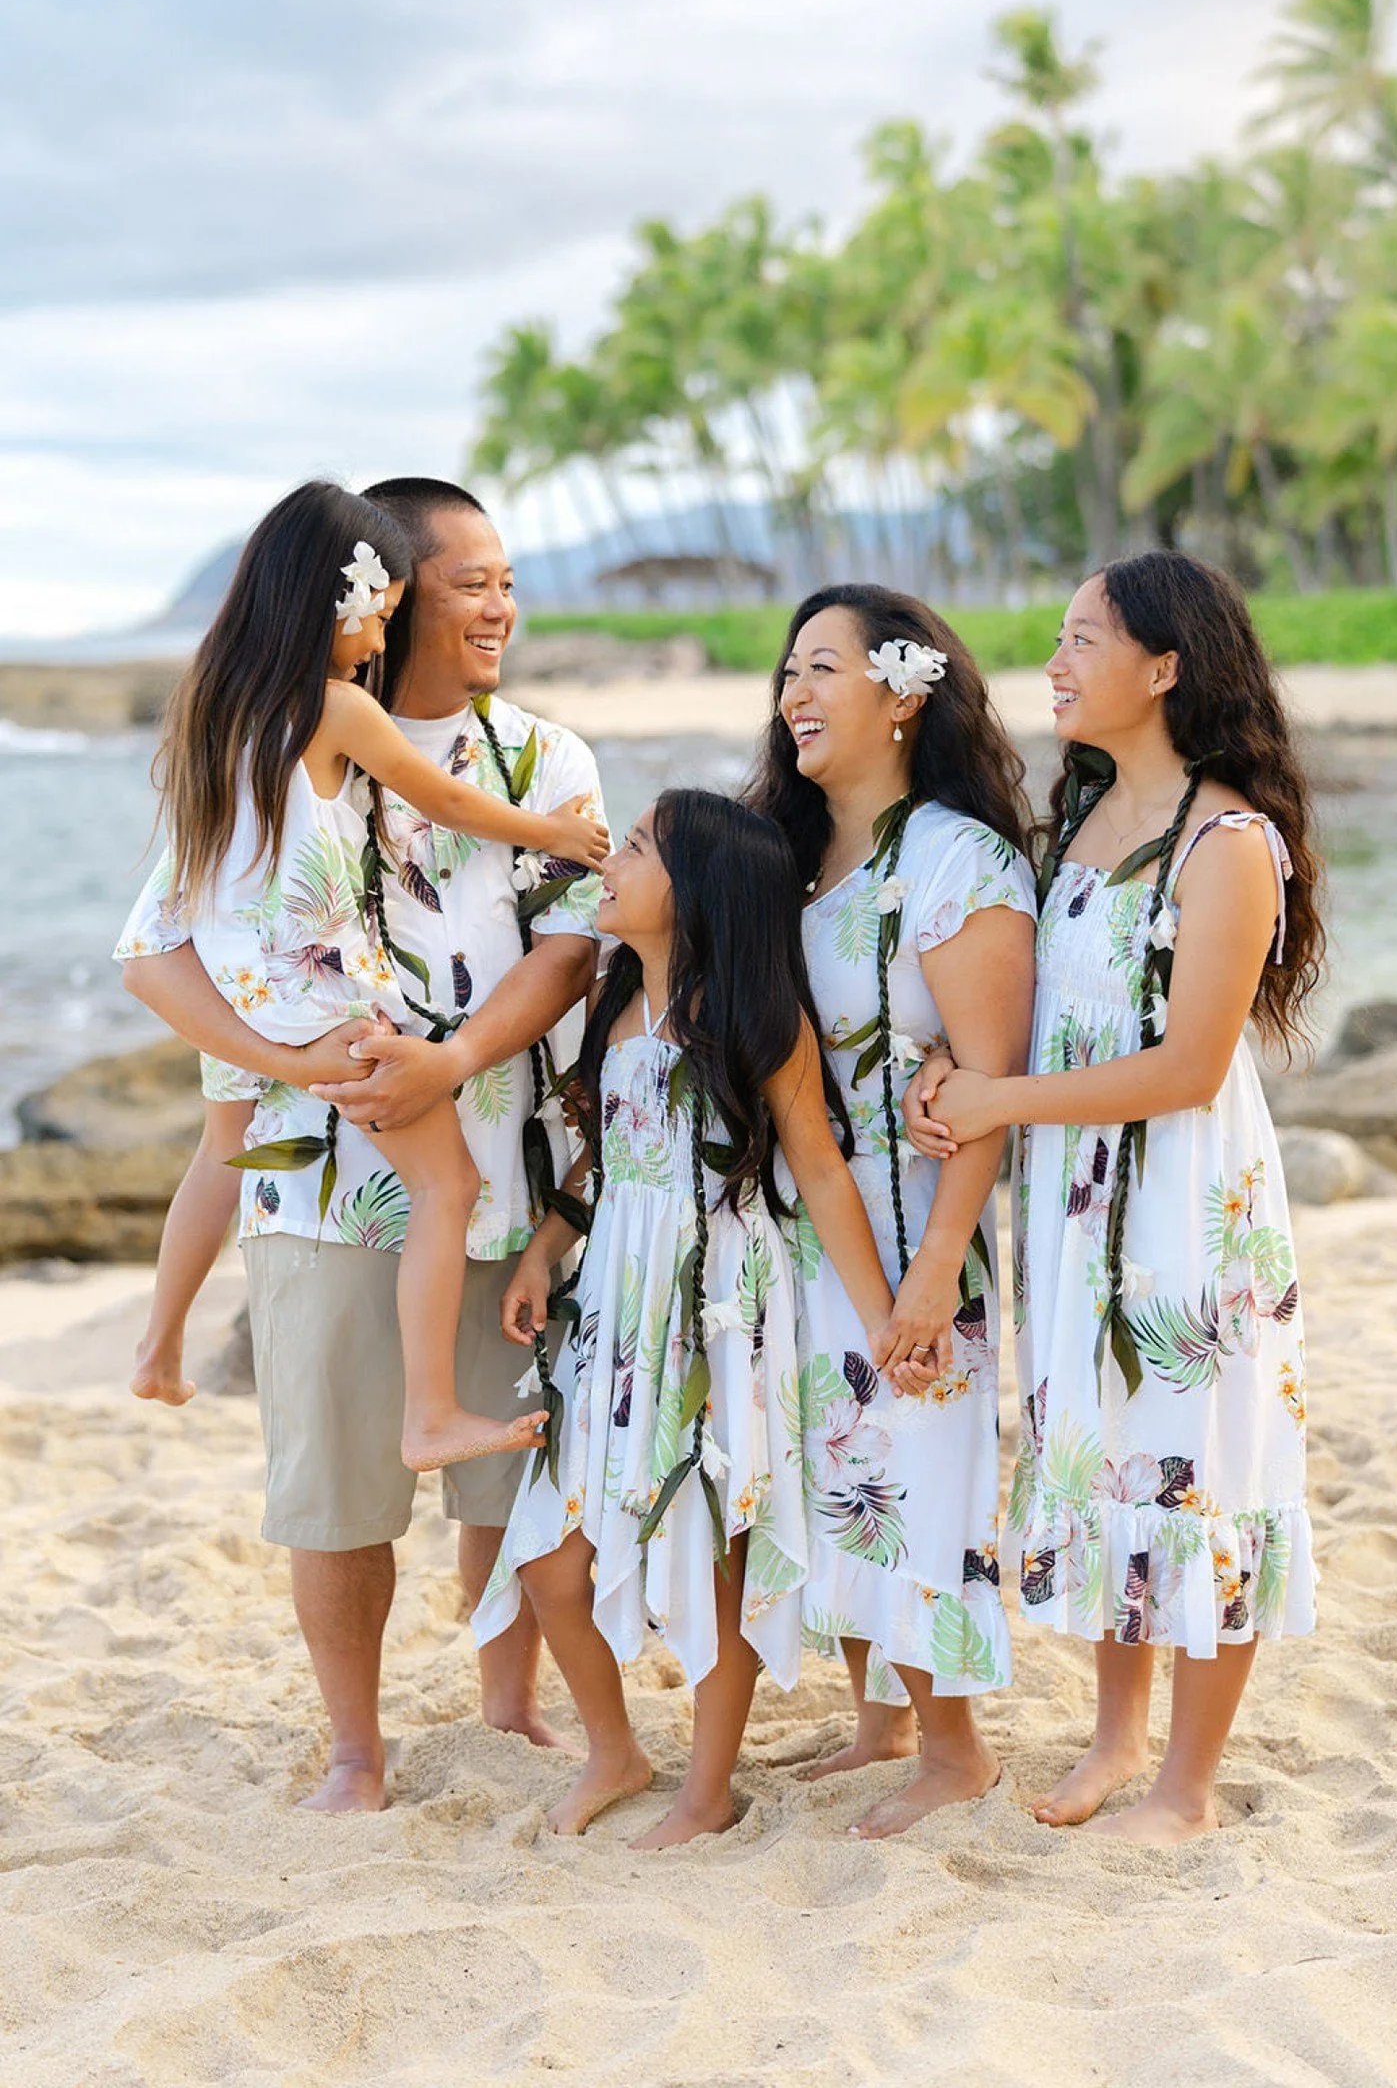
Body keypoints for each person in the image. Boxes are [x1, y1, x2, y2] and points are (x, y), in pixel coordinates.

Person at [120, 476, 607, 1808]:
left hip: (506, 1164)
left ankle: (507, 1710)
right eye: (466, 580)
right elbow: (165, 941)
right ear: (379, 595)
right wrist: (281, 1063)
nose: (497, 602)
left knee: (509, 1472)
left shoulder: (545, 757)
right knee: (336, 1490)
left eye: (506, 578)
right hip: (323, 1179)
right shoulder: (291, 738)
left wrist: (451, 1058)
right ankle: (355, 1745)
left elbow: (574, 950)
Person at [906, 550, 1323, 1844]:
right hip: (1081, 1207)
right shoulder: (1082, 819)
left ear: (1166, 664)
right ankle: (1115, 1738)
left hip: (1186, 1207)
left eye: (1084, 637)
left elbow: (1190, 1064)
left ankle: (1187, 1786)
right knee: (1101, 1458)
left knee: (1202, 1467)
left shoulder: (1230, 839)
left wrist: (997, 1105)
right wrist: (950, 1066)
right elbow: (1047, 1014)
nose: (1057, 660)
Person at [474, 790, 908, 1845]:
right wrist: (544, 1247)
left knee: (721, 1539)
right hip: (614, 1308)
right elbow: (606, 1151)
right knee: (548, 1555)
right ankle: (615, 1747)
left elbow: (819, 1169)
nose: (611, 859)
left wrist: (889, 1322)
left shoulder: (750, 1019)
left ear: (699, 890)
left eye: (635, 848)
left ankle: (706, 1786)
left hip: (717, 1306)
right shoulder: (617, 1003)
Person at [745, 585, 1037, 1837]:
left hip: (920, 1214)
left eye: (822, 667)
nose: (793, 694)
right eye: (786, 673)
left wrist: (937, 1267)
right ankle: (882, 1722)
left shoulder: (959, 863)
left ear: (903, 691)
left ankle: (956, 1748)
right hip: (811, 1215)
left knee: (913, 1457)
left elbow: (984, 1091)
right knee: (837, 1462)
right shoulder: (799, 854)